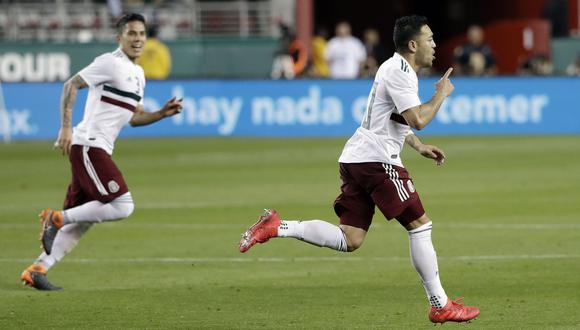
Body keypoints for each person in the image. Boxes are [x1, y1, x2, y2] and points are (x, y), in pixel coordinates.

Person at [239, 15, 480, 324]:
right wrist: (441, 95)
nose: (435, 45)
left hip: (357, 157)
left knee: (350, 238)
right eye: (430, 39)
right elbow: (418, 118)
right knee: (420, 224)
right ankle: (440, 303)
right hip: (376, 160)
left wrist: (418, 147)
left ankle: (277, 226)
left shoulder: (396, 68)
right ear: (413, 44)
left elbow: (395, 119)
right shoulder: (400, 72)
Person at [20, 13, 183, 291]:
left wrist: (160, 114)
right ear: (119, 37)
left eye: (142, 34)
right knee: (122, 205)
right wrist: (66, 129)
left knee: (83, 219)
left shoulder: (138, 74)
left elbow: (134, 117)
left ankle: (37, 269)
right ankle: (55, 218)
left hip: (96, 148)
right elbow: (71, 84)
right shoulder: (110, 62)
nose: (138, 39)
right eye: (131, 33)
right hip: (88, 145)